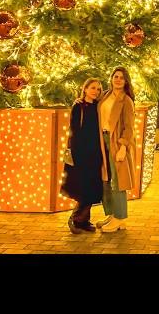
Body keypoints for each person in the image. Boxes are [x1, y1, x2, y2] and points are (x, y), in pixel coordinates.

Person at [60, 78, 104, 234]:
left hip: (96, 152)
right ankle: (76, 218)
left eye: (98, 89)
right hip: (82, 152)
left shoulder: (98, 106)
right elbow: (74, 131)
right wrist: (75, 153)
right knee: (83, 188)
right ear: (85, 89)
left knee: (92, 187)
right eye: (92, 88)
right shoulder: (79, 106)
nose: (96, 91)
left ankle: (84, 220)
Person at [96, 67, 136, 233]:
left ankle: (120, 218)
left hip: (116, 142)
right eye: (115, 76)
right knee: (106, 179)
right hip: (101, 140)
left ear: (126, 81)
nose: (118, 80)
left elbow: (129, 127)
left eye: (122, 78)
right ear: (111, 78)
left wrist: (123, 147)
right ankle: (113, 215)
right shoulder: (104, 95)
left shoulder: (126, 100)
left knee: (118, 182)